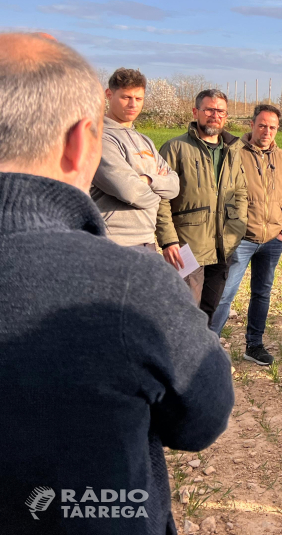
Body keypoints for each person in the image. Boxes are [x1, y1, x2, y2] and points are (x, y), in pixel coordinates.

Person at [0, 33, 233, 533]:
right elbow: (202, 417)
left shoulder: (145, 143)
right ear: (81, 142)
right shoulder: (131, 287)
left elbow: (168, 183)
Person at [208, 104, 282, 366]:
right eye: (262, 125)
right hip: (241, 240)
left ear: (277, 128)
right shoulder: (234, 154)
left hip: (273, 240)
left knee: (262, 293)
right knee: (225, 293)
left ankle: (254, 345)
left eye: (272, 127)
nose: (267, 131)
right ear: (252, 124)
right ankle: (207, 346)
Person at [157, 89, 248, 321]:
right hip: (187, 246)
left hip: (222, 245)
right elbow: (161, 198)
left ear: (226, 116)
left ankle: (200, 355)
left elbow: (240, 192)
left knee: (209, 310)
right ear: (196, 111)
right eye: (209, 109)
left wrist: (237, 229)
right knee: (184, 310)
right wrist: (168, 240)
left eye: (220, 111)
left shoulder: (233, 150)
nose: (214, 115)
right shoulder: (175, 148)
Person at [90, 67, 178, 251]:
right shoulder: (100, 138)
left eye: (139, 99)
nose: (133, 105)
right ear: (109, 94)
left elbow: (175, 186)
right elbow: (131, 192)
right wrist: (158, 189)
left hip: (147, 241)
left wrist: (147, 179)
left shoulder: (144, 140)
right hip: (114, 243)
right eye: (126, 97)